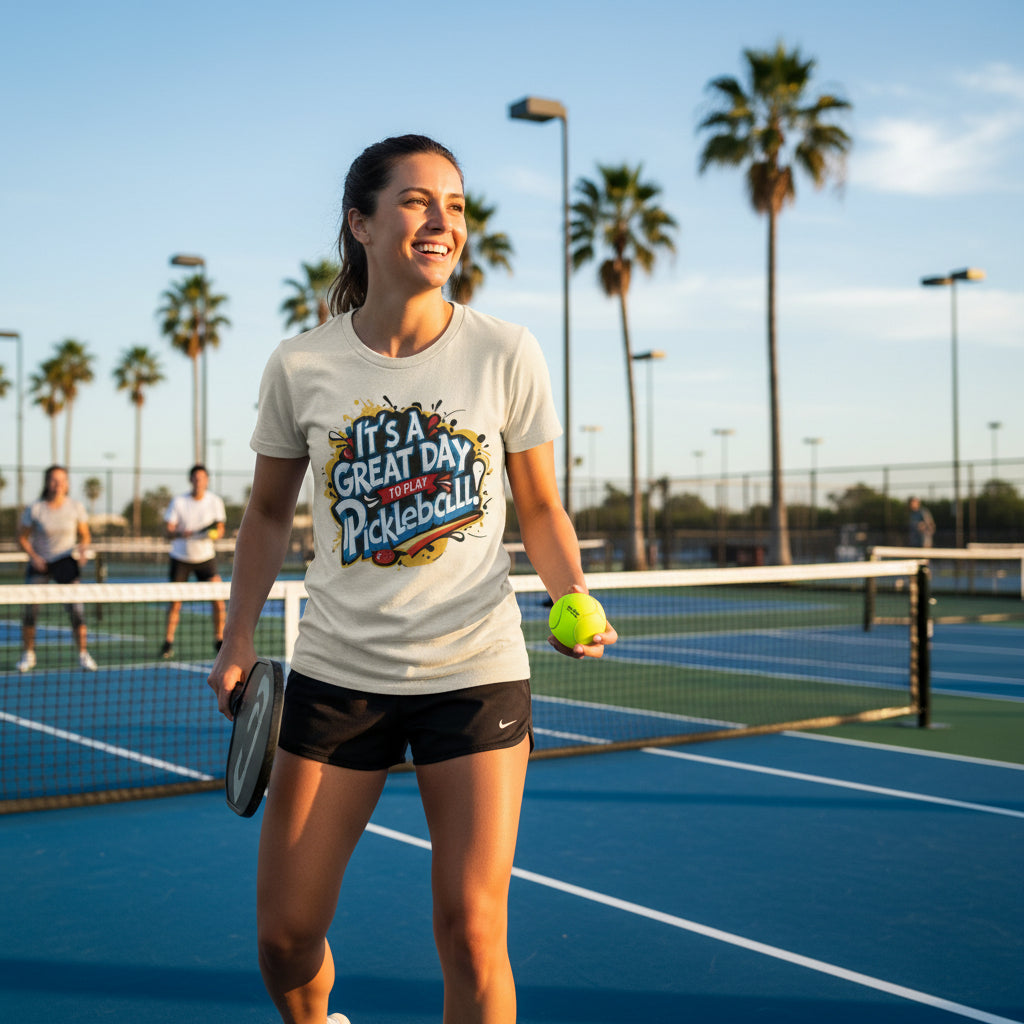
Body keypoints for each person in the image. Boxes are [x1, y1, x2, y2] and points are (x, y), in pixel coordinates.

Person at [207, 134, 617, 1024]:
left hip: (473, 671)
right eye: (417, 201)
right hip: (336, 677)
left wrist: (571, 592)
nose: (444, 222)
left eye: (458, 204)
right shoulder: (301, 365)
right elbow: (268, 515)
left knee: (472, 930)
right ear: (360, 222)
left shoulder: (506, 352)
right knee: (284, 938)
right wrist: (237, 636)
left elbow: (541, 506)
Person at [17, 464, 97, 672]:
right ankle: (28, 655)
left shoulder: (76, 507)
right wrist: (34, 557)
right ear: (47, 483)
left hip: (66, 562)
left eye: (62, 480)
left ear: (67, 484)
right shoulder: (35, 508)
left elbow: (85, 534)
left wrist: (83, 548)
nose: (58, 484)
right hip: (41, 563)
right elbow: (21, 538)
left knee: (76, 611)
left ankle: (83, 654)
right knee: (30, 611)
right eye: (54, 480)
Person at [161, 464, 227, 659]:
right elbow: (168, 531)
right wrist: (181, 533)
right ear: (190, 480)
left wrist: (213, 534)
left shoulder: (215, 501)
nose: (199, 482)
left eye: (202, 478)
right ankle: (168, 642)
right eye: (195, 478)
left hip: (206, 558)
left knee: (218, 600)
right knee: (175, 603)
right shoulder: (179, 501)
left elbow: (220, 529)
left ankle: (219, 640)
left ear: (207, 481)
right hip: (180, 558)